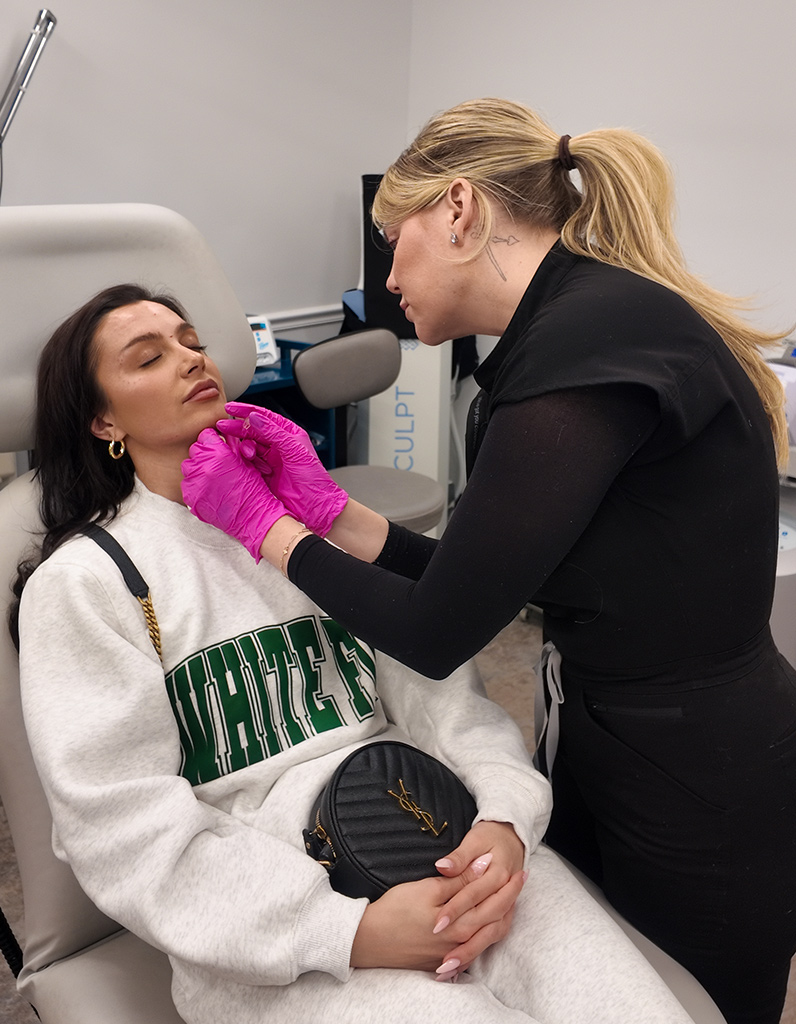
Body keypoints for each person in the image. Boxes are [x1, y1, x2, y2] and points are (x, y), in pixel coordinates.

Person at [180, 98, 796, 1024]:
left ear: (460, 211)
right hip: (608, 725)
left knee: (698, 1004)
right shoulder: (573, 329)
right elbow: (504, 576)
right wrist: (336, 516)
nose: (389, 277)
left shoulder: (587, 349)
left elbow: (437, 634)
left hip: (697, 769)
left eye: (397, 240)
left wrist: (269, 530)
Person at [10, 283, 696, 1024]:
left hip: (445, 836)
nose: (187, 360)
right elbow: (125, 832)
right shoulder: (86, 584)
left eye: (192, 343)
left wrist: (504, 820)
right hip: (276, 937)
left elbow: (446, 698)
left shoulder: (304, 537)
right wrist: (350, 931)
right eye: (149, 357)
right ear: (103, 419)